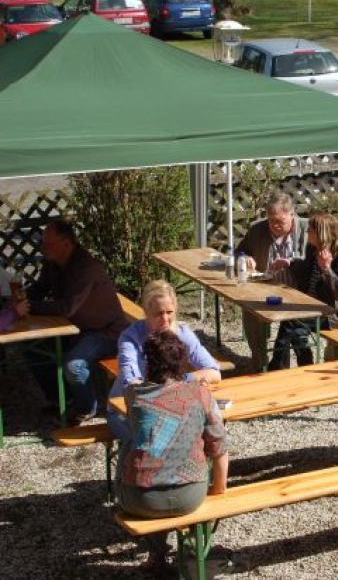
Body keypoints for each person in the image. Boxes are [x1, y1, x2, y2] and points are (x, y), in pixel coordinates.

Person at [117, 330, 228, 575]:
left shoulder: (134, 395)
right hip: (190, 496)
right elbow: (219, 446)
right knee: (192, 448)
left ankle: (157, 554)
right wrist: (219, 488)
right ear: (182, 363)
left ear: (148, 363)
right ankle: (191, 550)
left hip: (140, 500)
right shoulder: (200, 394)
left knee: (131, 446)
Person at [23, 219, 128, 425]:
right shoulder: (53, 263)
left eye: (48, 243)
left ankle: (86, 408)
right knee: (32, 347)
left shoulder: (86, 268)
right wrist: (18, 300)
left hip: (106, 332)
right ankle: (60, 399)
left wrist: (28, 308)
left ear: (66, 243)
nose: (43, 247)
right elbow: (39, 289)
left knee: (74, 365)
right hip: (76, 328)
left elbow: (66, 308)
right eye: (43, 242)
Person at [107, 280, 221, 442]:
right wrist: (177, 386)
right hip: (124, 410)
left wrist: (183, 380)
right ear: (146, 311)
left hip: (168, 407)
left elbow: (214, 372)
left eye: (169, 312)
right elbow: (131, 384)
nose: (165, 319)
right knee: (155, 441)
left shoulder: (182, 333)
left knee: (205, 430)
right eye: (158, 313)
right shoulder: (130, 338)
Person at [270, 213, 338, 369]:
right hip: (311, 306)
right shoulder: (312, 249)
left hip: (332, 312)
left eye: (310, 230)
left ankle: (276, 366)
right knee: (296, 331)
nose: (307, 232)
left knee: (290, 321)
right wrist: (288, 263)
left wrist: (327, 269)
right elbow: (303, 272)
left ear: (321, 233)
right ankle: (305, 366)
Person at [236, 191, 306, 370]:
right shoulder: (257, 229)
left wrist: (292, 262)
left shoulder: (307, 230)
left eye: (280, 221)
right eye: (271, 221)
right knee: (250, 312)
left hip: (298, 291)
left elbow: (313, 264)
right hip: (264, 288)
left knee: (295, 331)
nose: (274, 225)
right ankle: (260, 362)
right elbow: (239, 252)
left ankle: (303, 366)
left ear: (292, 214)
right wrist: (245, 258)